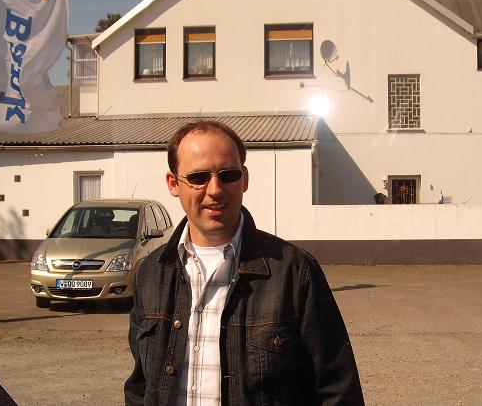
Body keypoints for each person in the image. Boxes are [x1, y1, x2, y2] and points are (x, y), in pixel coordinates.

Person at [124, 121, 364, 405]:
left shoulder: (293, 271)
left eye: (228, 175)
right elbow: (140, 388)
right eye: (199, 177)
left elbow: (338, 391)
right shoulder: (151, 273)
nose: (215, 189)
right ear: (173, 183)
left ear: (245, 179)